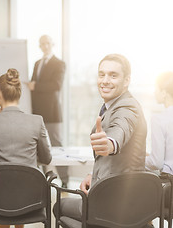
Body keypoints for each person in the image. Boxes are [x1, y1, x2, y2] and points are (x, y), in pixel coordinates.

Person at [55, 53, 147, 221]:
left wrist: (110, 143)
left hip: (115, 203)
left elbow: (120, 130)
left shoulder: (127, 107)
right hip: (117, 194)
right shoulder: (112, 105)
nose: (105, 80)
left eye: (113, 75)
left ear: (126, 81)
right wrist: (94, 177)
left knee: (57, 205)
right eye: (101, 74)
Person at [0, 68, 52, 228]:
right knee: (19, 192)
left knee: (5, 192)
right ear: (20, 94)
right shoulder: (37, 121)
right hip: (30, 197)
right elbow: (47, 158)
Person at [27, 34, 69, 188]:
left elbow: (56, 85)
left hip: (52, 112)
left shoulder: (59, 63)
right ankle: (46, 179)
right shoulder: (37, 63)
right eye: (41, 43)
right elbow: (33, 85)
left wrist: (35, 86)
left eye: (47, 43)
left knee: (57, 144)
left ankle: (65, 179)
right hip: (36, 112)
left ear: (52, 44)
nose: (44, 46)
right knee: (40, 146)